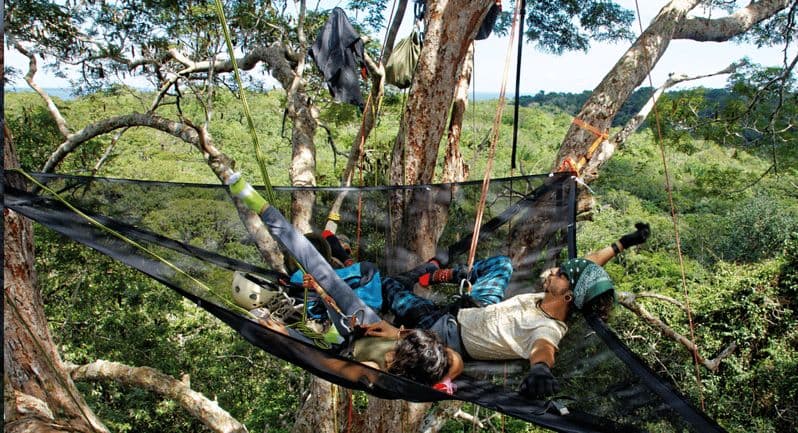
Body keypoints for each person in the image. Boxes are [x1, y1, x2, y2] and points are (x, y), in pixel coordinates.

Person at [225, 171, 462, 389]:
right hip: (366, 323)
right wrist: (398, 335)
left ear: (403, 369)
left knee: (268, 329)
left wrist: (287, 339)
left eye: (395, 356)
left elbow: (326, 363)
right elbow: (456, 360)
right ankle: (260, 205)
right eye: (399, 349)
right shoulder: (431, 358)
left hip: (343, 351)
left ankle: (278, 321)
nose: (392, 352)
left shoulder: (374, 371)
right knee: (321, 271)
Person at [368, 223, 651, 399]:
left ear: (568, 295)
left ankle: (425, 270)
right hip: (481, 306)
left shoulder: (547, 328)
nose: (555, 271)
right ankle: (444, 273)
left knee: (390, 285)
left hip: (443, 330)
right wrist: (623, 243)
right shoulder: (555, 295)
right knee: (502, 264)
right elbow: (588, 265)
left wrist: (540, 369)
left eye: (561, 274)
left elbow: (543, 350)